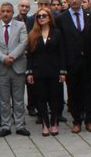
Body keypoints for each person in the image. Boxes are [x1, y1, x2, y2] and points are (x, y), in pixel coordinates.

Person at [56, 0, 91, 134]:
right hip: (71, 62)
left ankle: (89, 120)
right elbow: (61, 44)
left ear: (82, 0)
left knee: (89, 91)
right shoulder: (62, 18)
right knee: (73, 92)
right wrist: (62, 66)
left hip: (89, 60)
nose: (74, 1)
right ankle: (77, 121)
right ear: (68, 1)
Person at [0, 1, 29, 137]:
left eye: (8, 11)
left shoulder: (21, 26)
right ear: (0, 12)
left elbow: (24, 43)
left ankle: (20, 125)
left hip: (17, 67)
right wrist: (3, 58)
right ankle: (5, 125)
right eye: (3, 11)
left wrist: (11, 56)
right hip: (1, 68)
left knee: (18, 99)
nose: (5, 14)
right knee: (4, 100)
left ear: (12, 13)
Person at [26, 8, 66, 137]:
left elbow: (62, 53)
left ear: (49, 17)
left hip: (54, 70)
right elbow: (30, 55)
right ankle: (45, 123)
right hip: (38, 71)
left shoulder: (57, 33)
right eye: (39, 16)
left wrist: (62, 71)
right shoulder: (33, 34)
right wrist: (30, 72)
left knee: (55, 97)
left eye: (44, 15)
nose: (41, 18)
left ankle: (54, 122)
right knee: (41, 98)